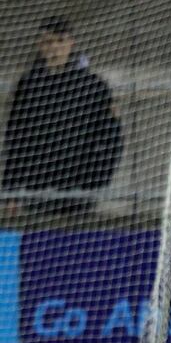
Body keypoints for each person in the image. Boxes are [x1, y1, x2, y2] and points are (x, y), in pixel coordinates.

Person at [2, 16, 121, 218]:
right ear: (40, 45)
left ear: (71, 43)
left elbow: (112, 136)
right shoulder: (28, 85)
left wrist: (97, 182)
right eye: (48, 42)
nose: (54, 48)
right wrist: (11, 190)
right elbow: (15, 138)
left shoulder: (93, 85)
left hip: (79, 188)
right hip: (36, 189)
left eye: (60, 41)